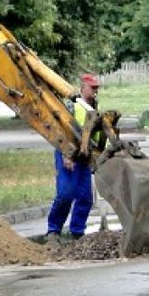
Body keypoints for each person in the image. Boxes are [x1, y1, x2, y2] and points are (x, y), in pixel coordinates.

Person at [46, 73, 101, 241]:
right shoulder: (72, 105)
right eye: (93, 88)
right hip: (68, 154)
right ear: (83, 87)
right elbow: (62, 129)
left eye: (97, 88)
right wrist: (66, 154)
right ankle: (53, 230)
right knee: (65, 194)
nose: (95, 92)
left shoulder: (94, 107)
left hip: (85, 156)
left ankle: (77, 232)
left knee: (85, 197)